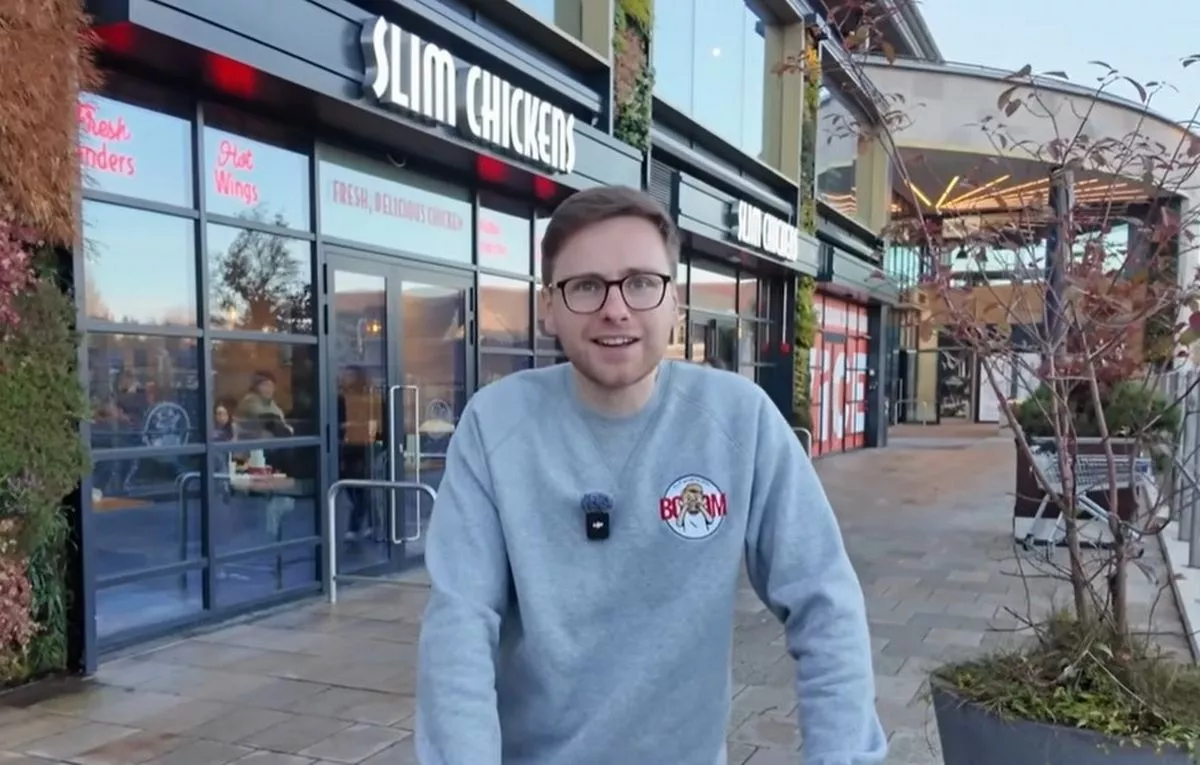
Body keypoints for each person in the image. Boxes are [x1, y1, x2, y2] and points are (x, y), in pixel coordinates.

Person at [415, 186, 884, 765]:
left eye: (640, 282)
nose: (616, 308)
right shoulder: (496, 426)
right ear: (548, 306)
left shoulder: (740, 420)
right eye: (586, 286)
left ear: (674, 301)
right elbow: (459, 628)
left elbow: (824, 602)